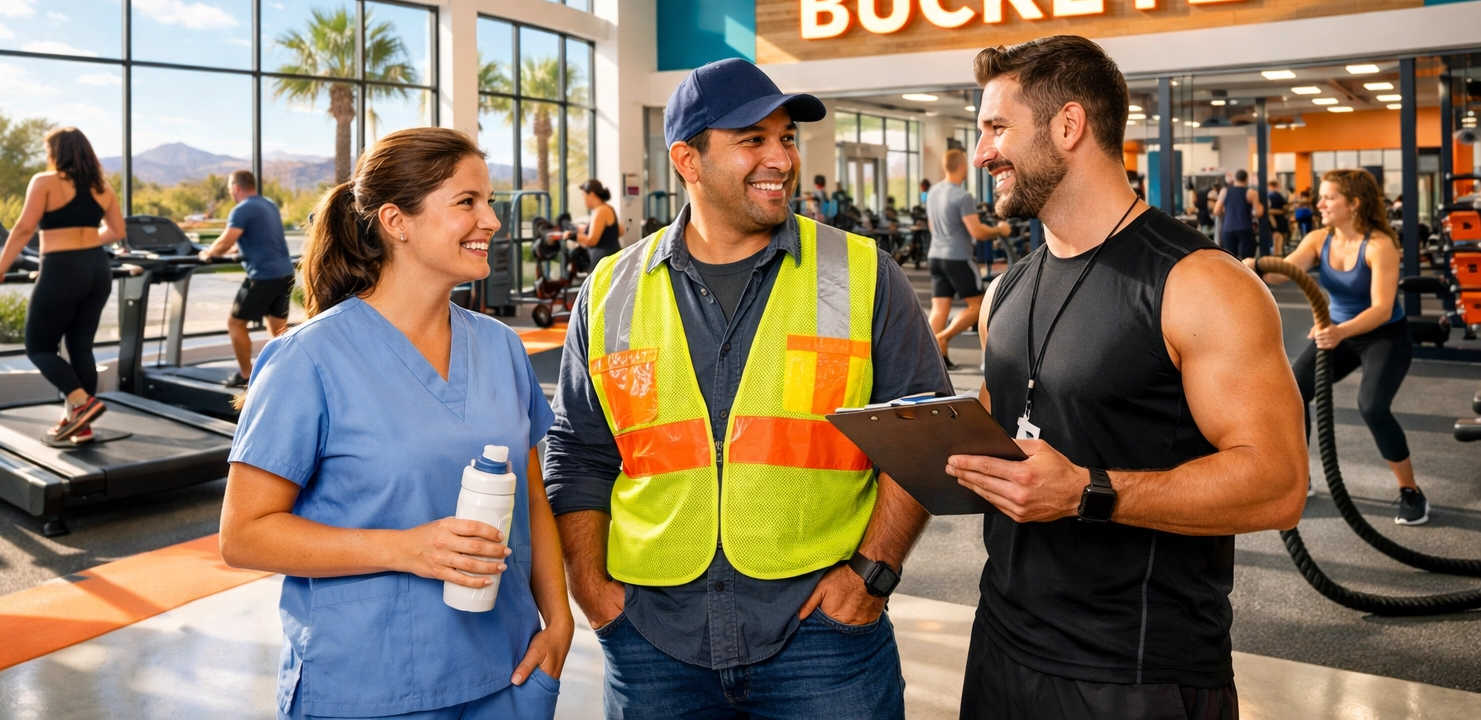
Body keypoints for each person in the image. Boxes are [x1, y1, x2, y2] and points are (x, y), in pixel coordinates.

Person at [546, 57, 951, 720]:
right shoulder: (612, 289)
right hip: (653, 636)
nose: (780, 159)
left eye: (786, 137)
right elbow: (579, 450)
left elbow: (924, 432)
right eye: (752, 140)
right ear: (688, 160)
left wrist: (871, 577)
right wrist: (591, 588)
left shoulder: (859, 273)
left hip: (822, 634)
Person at [945, 36, 1306, 720]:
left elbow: (1279, 484)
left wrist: (1086, 492)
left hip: (1135, 669)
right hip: (1001, 643)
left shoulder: (1199, 284)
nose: (984, 151)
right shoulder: (1007, 290)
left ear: (1069, 126)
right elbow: (1007, 433)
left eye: (997, 128)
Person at [218, 128, 572, 720]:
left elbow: (530, 495)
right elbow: (243, 535)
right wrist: (405, 549)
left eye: (489, 201)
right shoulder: (309, 358)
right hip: (371, 684)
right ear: (396, 221)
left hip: (505, 669)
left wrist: (558, 621)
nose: (491, 220)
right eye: (467, 202)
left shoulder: (501, 347)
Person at [1247, 169, 1426, 523]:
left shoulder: (1379, 245)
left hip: (1384, 336)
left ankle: (1411, 491)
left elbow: (1381, 308)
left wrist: (1340, 331)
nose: (1320, 203)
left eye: (1329, 197)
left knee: (1373, 407)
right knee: (1293, 394)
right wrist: (1253, 266)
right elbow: (1284, 272)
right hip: (1335, 332)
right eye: (1321, 196)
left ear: (1354, 203)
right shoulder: (1318, 239)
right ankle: (1301, 479)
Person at [0, 127, 125, 444]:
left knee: (39, 347)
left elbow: (24, 227)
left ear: (57, 152)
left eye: (48, 150)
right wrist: (82, 244)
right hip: (98, 269)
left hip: (62, 270)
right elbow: (116, 231)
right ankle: (79, 425)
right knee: (80, 346)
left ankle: (83, 403)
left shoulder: (45, 181)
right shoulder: (103, 188)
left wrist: (0, 268)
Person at [199, 170, 295, 388]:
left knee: (235, 323)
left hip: (263, 275)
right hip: (284, 272)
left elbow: (223, 242)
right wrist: (237, 249)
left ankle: (245, 377)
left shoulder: (242, 209)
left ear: (235, 187)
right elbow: (261, 237)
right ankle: (288, 374)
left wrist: (207, 253)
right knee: (278, 327)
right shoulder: (268, 204)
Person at [928, 149, 1012, 368]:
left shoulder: (934, 192)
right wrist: (999, 230)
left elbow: (931, 226)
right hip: (957, 257)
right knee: (978, 306)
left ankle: (929, 357)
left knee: (939, 309)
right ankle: (943, 337)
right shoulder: (962, 196)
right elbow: (977, 232)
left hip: (935, 256)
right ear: (963, 167)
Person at [571, 179, 622, 268]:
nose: (583, 199)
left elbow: (592, 241)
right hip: (606, 261)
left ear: (592, 194)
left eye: (584, 195)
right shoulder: (604, 209)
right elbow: (617, 230)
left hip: (605, 263)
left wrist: (573, 236)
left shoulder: (601, 211)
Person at [1213, 168, 1262, 259]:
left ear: (1235, 179)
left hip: (1228, 228)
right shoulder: (1251, 193)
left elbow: (1216, 211)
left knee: (1231, 260)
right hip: (1245, 228)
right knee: (1247, 260)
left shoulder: (1225, 191)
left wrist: (1228, 211)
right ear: (1246, 179)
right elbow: (1258, 213)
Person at [1266, 180, 1289, 256]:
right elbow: (1285, 207)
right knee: (1278, 247)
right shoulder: (1276, 195)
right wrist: (1282, 211)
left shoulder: (1265, 196)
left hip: (1270, 223)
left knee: (1274, 245)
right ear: (1275, 186)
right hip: (1279, 223)